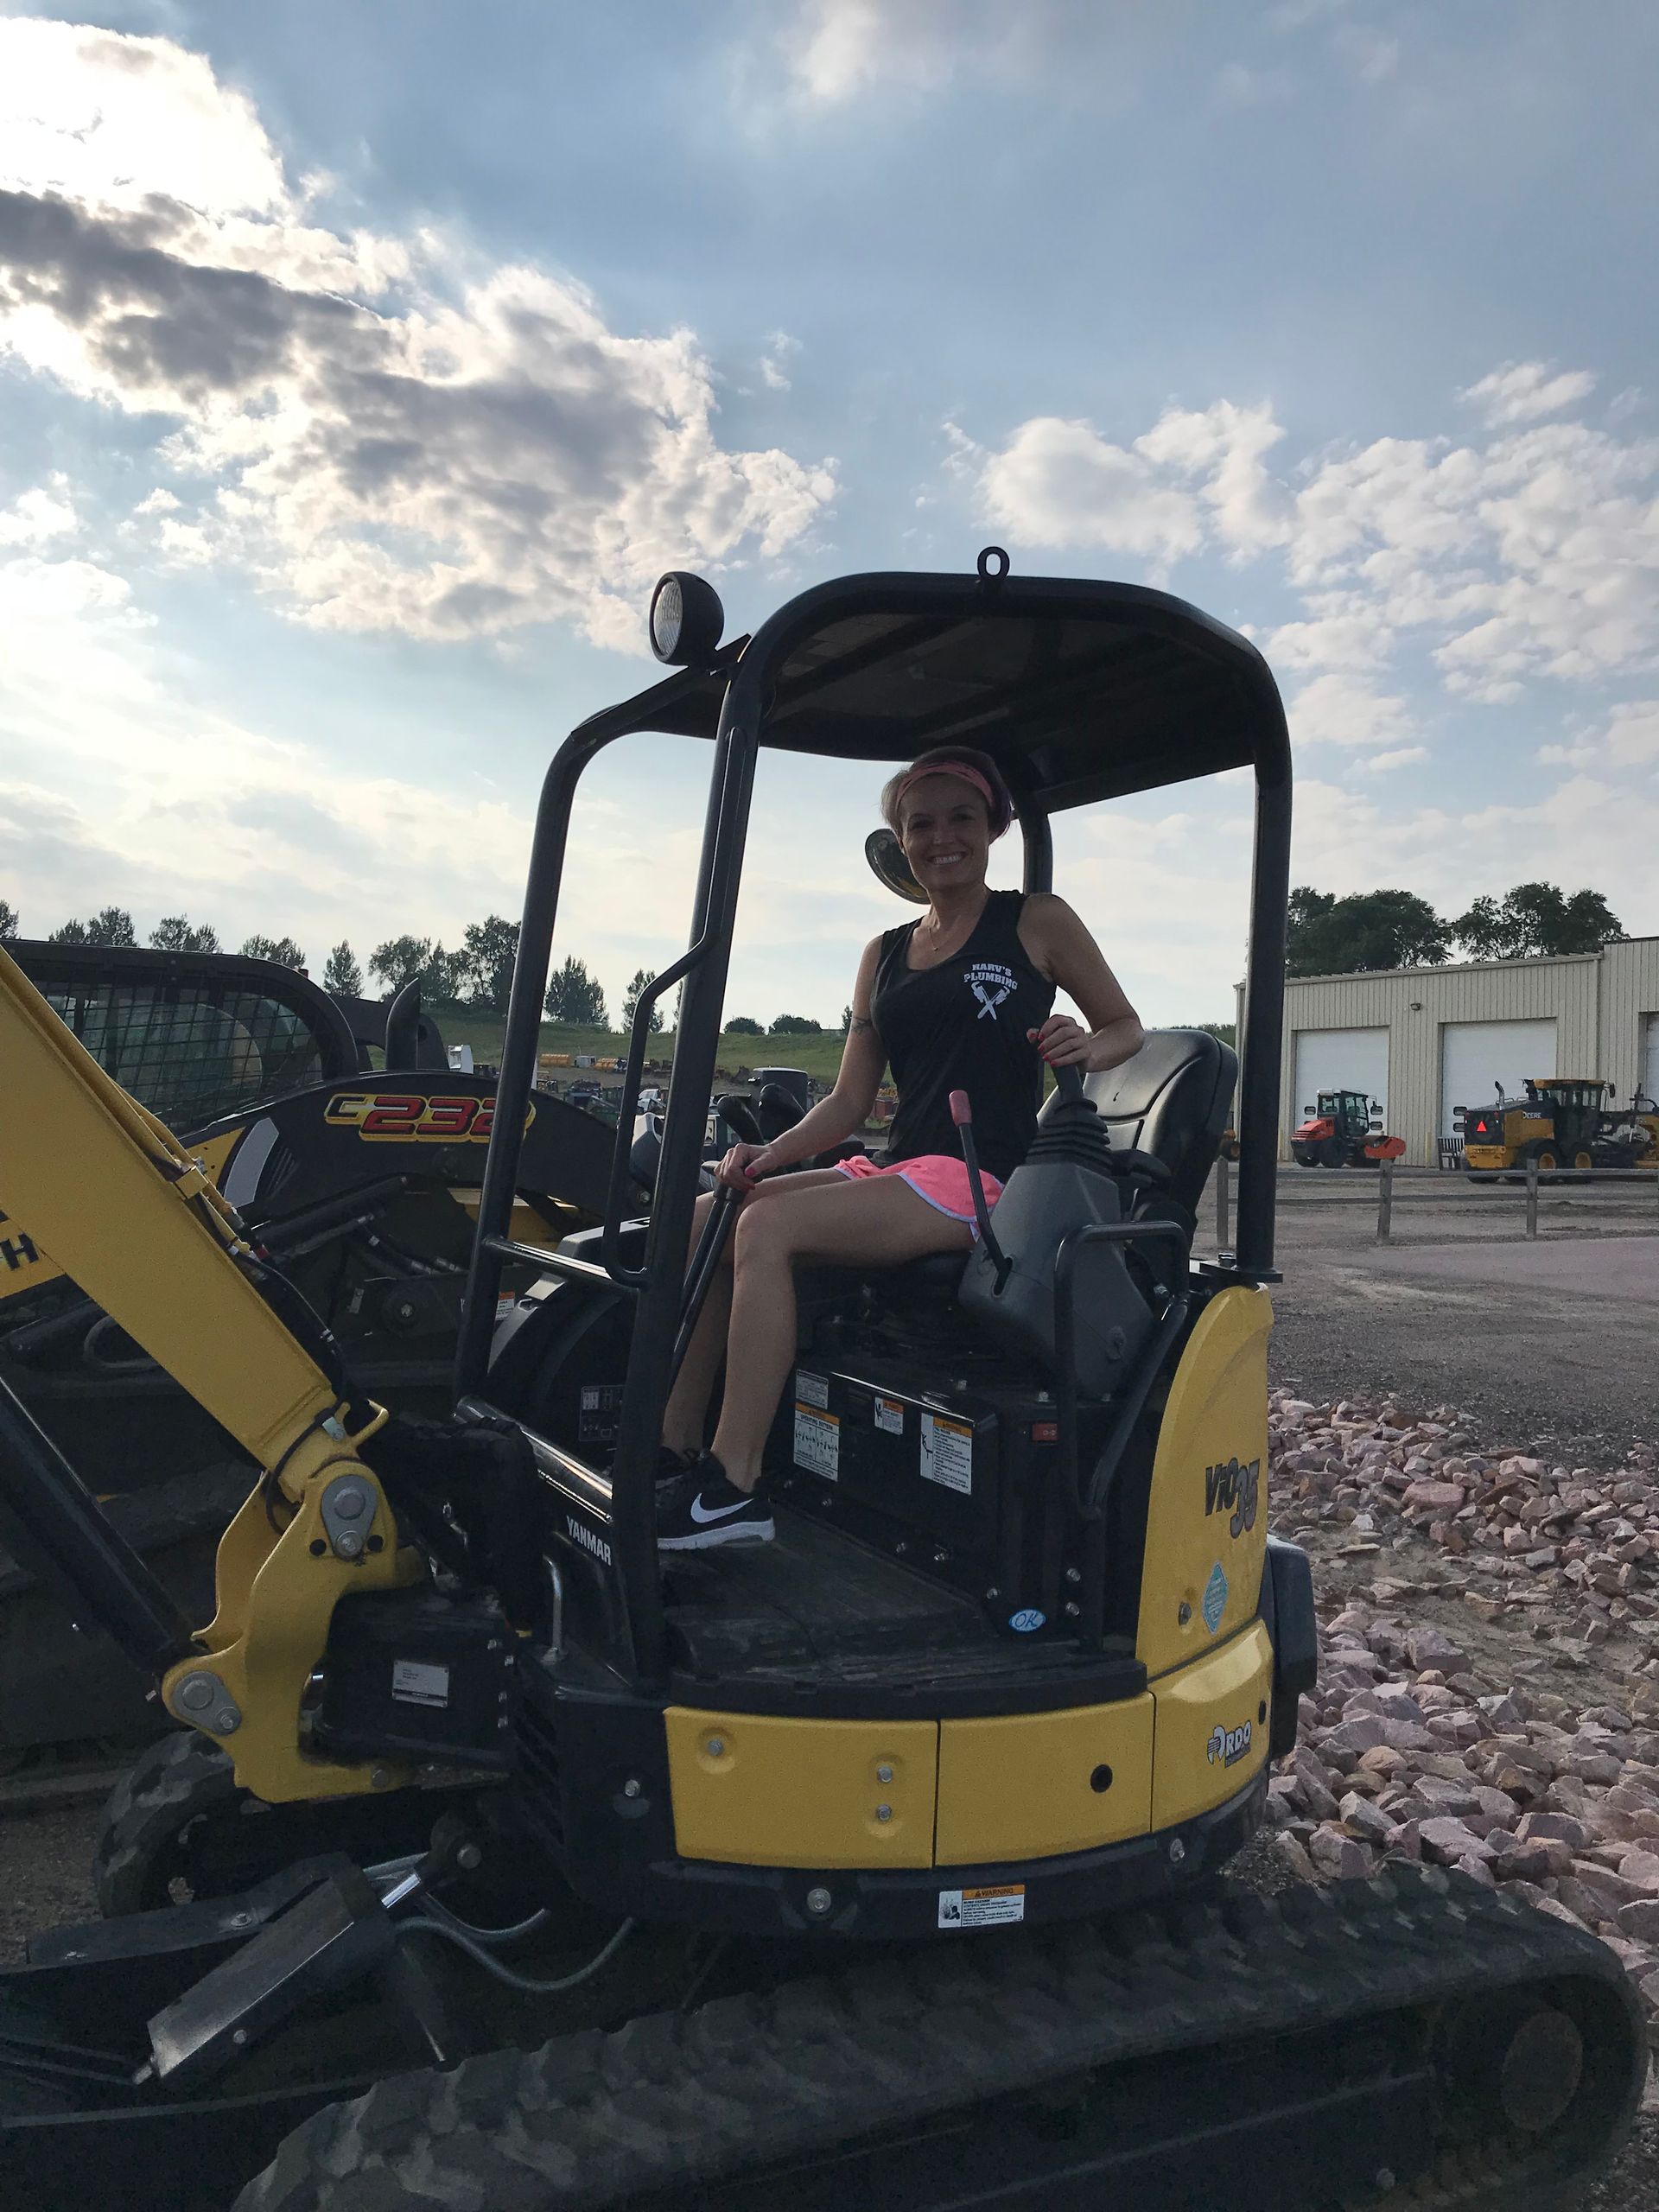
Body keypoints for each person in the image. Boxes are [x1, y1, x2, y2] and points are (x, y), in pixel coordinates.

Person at [653, 747, 1144, 1551]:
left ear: (992, 829)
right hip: (902, 1168)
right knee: (715, 1212)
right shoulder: (882, 953)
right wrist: (765, 1158)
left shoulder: (1034, 921)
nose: (942, 836)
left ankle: (733, 1486)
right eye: (922, 824)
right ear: (900, 841)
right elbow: (850, 1100)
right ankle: (671, 1450)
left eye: (961, 819)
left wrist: (1084, 1045)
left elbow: (1125, 1027)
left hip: (985, 1178)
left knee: (765, 1232)